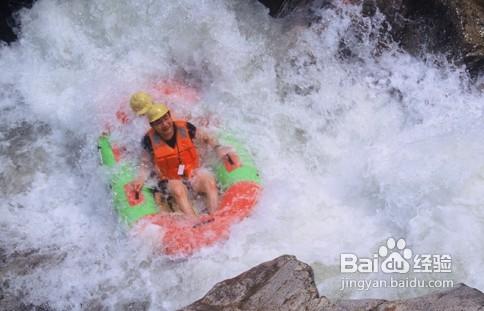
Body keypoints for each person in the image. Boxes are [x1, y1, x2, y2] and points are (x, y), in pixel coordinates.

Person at [129, 92, 237, 218]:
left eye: (166, 119)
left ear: (170, 116)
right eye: (158, 123)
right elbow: (145, 164)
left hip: (192, 173)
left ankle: (216, 217)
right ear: (152, 126)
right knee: (177, 189)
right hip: (171, 181)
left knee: (208, 180)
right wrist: (140, 178)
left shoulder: (185, 128)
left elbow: (207, 137)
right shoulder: (148, 140)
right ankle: (194, 223)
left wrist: (218, 148)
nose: (165, 124)